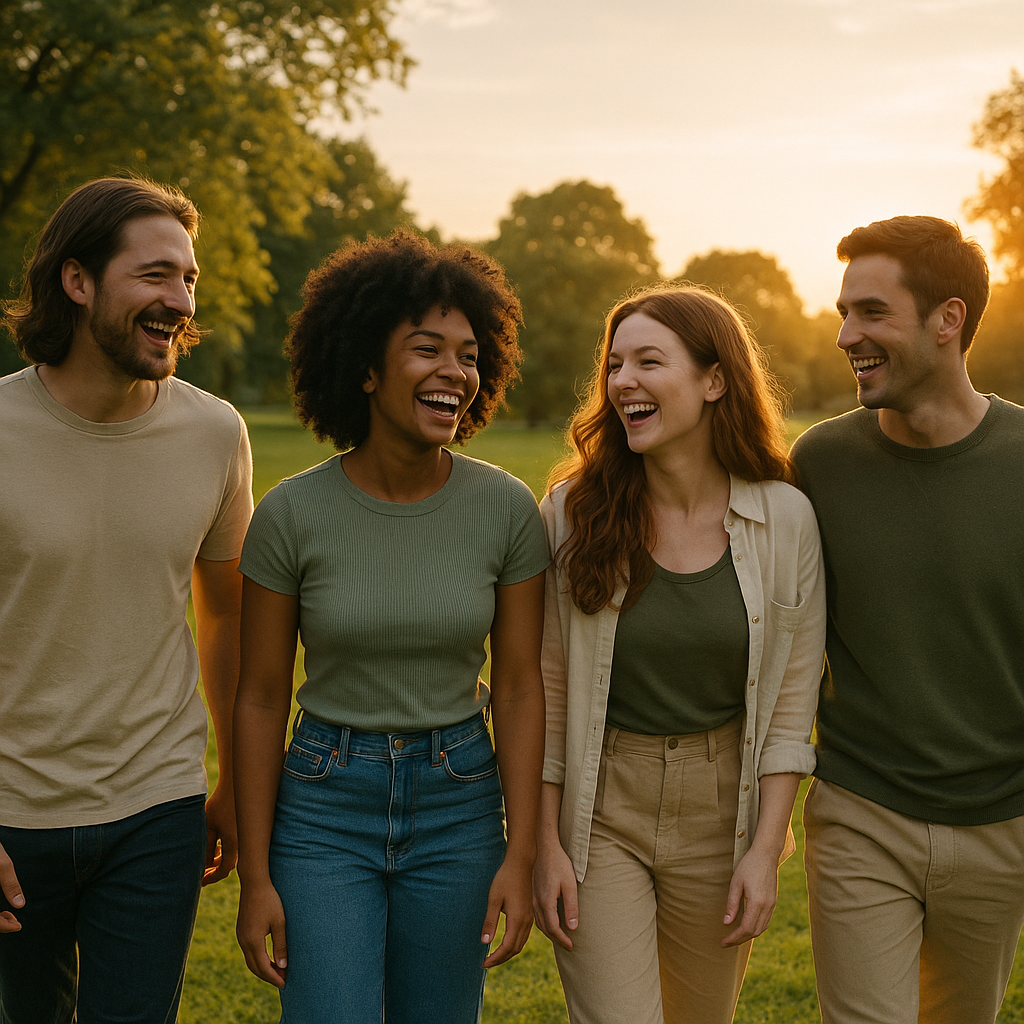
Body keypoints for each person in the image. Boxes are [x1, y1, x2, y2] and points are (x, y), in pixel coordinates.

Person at [233, 230, 548, 1023]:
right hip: (323, 804)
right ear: (366, 369)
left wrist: (520, 852)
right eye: (427, 349)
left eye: (470, 354)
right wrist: (258, 877)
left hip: (459, 801)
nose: (456, 372)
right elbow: (262, 698)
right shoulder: (290, 515)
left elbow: (516, 688)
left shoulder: (506, 508)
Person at [533, 285, 825, 1024]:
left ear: (714, 379)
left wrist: (766, 849)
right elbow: (548, 690)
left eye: (649, 361)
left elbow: (795, 699)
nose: (622, 380)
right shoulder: (573, 512)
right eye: (615, 364)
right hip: (602, 808)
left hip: (722, 813)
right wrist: (544, 842)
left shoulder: (785, 518)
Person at [0, 177, 253, 1023]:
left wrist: (230, 777)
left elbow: (227, 611)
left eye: (188, 279)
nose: (179, 300)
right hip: (13, 813)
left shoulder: (216, 432)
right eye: (155, 275)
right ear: (77, 282)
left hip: (158, 805)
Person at [790, 215, 1024, 1024]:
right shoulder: (820, 463)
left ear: (947, 320)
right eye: (844, 312)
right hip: (863, 808)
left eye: (872, 313)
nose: (848, 334)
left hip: (1003, 822)